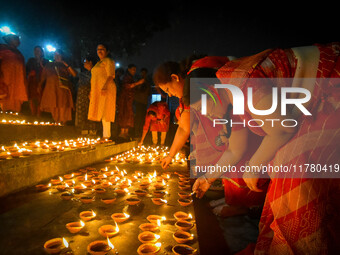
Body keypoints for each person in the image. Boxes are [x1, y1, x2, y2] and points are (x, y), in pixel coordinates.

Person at [191, 43, 340, 254]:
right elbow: (235, 150)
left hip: (331, 86)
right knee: (283, 169)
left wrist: (253, 167)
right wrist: (207, 178)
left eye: (202, 108)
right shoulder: (231, 101)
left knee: (295, 171)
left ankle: (308, 244)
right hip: (311, 108)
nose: (206, 116)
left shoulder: (241, 83)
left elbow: (281, 129)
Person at [39, 49, 77, 124]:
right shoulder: (49, 65)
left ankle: (63, 123)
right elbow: (43, 76)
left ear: (62, 56)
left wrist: (65, 63)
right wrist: (40, 85)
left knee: (63, 105)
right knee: (54, 105)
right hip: (52, 89)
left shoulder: (65, 65)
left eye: (58, 54)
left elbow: (74, 74)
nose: (56, 56)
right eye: (55, 54)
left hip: (63, 89)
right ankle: (57, 122)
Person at [88, 44, 116, 139]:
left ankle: (106, 136)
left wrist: (105, 86)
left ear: (107, 51)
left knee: (105, 111)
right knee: (100, 110)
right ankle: (105, 135)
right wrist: (92, 92)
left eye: (102, 49)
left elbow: (111, 75)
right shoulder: (98, 63)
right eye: (98, 49)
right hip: (98, 90)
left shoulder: (108, 61)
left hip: (107, 88)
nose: (99, 51)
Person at [0, 34, 28, 112]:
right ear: (10, 40)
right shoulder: (3, 48)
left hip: (18, 77)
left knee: (16, 92)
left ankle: (15, 110)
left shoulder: (19, 52)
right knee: (7, 91)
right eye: (16, 39)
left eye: (18, 40)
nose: (18, 41)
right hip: (7, 75)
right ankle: (5, 109)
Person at [117, 64, 144, 139]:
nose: (134, 71)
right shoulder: (126, 77)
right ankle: (122, 132)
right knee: (124, 114)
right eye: (133, 69)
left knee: (129, 115)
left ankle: (126, 132)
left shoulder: (131, 77)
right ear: (128, 69)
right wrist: (138, 83)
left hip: (130, 100)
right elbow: (127, 86)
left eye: (135, 70)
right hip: (124, 99)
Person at [75, 55, 100, 135]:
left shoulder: (95, 72)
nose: (84, 64)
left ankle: (92, 131)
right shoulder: (83, 73)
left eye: (85, 62)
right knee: (82, 112)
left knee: (91, 112)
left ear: (90, 62)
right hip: (82, 95)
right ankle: (84, 130)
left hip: (91, 94)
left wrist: (91, 92)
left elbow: (96, 84)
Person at [26, 46, 48, 116]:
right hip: (32, 81)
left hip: (42, 81)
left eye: (38, 51)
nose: (37, 52)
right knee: (31, 97)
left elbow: (48, 71)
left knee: (40, 98)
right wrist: (29, 73)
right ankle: (33, 113)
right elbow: (26, 70)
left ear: (42, 52)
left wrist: (42, 66)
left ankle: (39, 114)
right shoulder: (31, 60)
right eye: (35, 50)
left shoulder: (45, 61)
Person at [134, 68, 151, 139]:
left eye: (144, 73)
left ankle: (141, 133)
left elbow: (149, 91)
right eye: (142, 73)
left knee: (142, 118)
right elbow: (136, 89)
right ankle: (136, 133)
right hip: (138, 101)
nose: (143, 74)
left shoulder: (147, 82)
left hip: (144, 101)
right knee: (138, 117)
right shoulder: (138, 80)